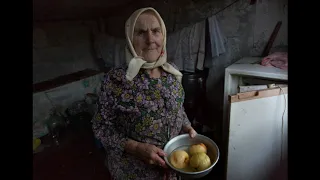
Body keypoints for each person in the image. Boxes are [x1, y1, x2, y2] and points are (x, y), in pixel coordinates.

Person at [92, 7, 197, 180]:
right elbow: (101, 127)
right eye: (141, 32)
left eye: (156, 31)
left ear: (163, 36)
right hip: (134, 172)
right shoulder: (116, 80)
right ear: (130, 40)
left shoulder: (172, 73)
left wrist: (186, 125)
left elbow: (177, 108)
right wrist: (135, 148)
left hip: (173, 166)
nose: (150, 40)